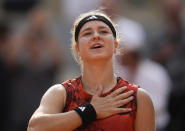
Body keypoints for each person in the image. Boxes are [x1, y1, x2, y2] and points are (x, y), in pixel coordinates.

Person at [27, 10, 155, 131]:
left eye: (103, 32)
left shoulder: (137, 97)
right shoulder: (61, 93)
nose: (96, 36)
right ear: (78, 49)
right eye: (87, 33)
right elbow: (34, 128)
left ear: (116, 46)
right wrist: (90, 111)